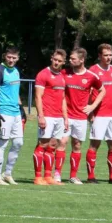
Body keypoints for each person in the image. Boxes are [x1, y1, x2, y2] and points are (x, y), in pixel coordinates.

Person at [64, 48, 102, 184]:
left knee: (77, 145)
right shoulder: (64, 73)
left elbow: (102, 91)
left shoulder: (91, 76)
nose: (70, 60)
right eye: (70, 58)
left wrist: (92, 106)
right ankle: (56, 174)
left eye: (73, 58)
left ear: (81, 60)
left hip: (80, 117)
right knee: (62, 142)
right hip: (66, 116)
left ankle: (73, 176)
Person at [87, 44, 112, 184]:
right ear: (99, 56)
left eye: (110, 55)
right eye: (105, 55)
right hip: (99, 114)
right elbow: (89, 92)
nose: (108, 58)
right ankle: (91, 176)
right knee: (95, 144)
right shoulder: (93, 70)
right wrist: (90, 111)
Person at [33, 49, 69, 185]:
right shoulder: (43, 74)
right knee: (42, 144)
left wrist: (65, 118)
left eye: (60, 61)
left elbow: (63, 98)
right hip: (47, 115)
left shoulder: (61, 76)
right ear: (51, 58)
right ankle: (37, 177)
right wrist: (40, 116)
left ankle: (48, 176)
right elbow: (38, 96)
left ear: (63, 62)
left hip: (59, 116)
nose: (56, 62)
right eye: (55, 59)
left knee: (53, 145)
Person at [0, 47, 25, 185]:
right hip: (4, 112)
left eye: (14, 58)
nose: (11, 60)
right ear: (5, 56)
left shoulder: (16, 71)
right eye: (9, 57)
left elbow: (15, 91)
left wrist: (21, 108)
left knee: (18, 143)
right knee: (2, 143)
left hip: (16, 112)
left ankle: (8, 174)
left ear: (18, 58)